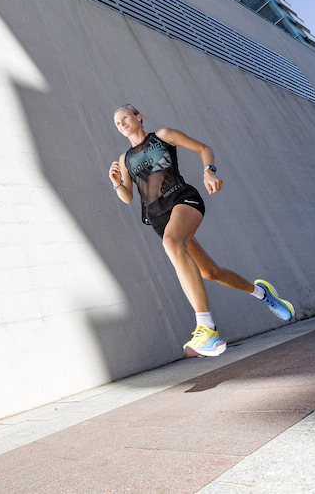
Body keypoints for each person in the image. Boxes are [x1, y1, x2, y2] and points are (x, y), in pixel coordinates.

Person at [108, 104, 294, 357]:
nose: (121, 124)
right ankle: (263, 294)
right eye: (117, 123)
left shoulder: (162, 135)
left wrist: (209, 172)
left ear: (138, 117)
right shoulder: (124, 159)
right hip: (158, 217)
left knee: (171, 243)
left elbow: (204, 149)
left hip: (181, 199)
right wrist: (117, 184)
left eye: (124, 118)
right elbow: (128, 197)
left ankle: (206, 328)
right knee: (210, 272)